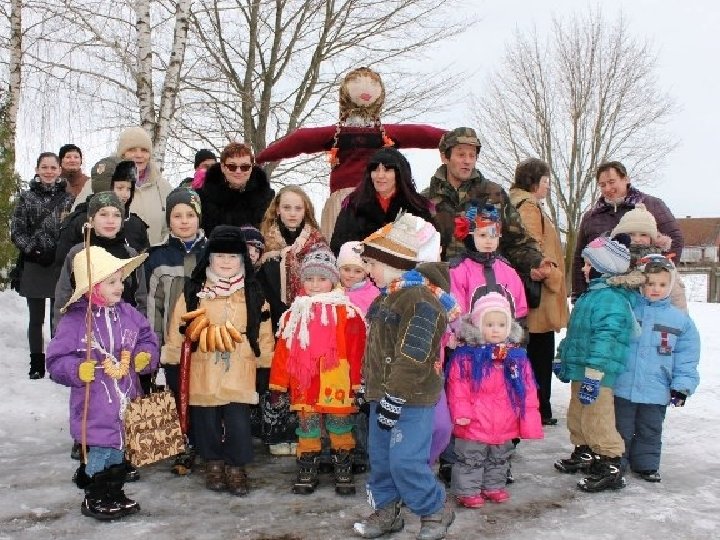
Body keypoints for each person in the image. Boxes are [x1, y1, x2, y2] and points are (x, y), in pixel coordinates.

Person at [354, 213, 457, 540]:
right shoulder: (387, 296)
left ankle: (435, 508)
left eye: (372, 264)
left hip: (410, 399)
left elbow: (414, 355)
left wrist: (395, 397)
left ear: (394, 262)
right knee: (382, 460)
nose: (368, 271)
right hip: (381, 396)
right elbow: (376, 349)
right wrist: (366, 384)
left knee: (406, 461)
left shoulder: (421, 301)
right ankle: (387, 511)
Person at [45, 246, 158, 520]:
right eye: (112, 282)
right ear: (93, 286)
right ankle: (95, 495)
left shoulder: (129, 314)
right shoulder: (75, 321)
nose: (120, 287)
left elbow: (147, 338)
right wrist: (75, 369)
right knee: (100, 453)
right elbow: (56, 360)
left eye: (121, 280)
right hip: (94, 406)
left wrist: (145, 355)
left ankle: (114, 492)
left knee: (119, 451)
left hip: (126, 401)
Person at [162, 225, 274, 496]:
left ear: (242, 259)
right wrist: (173, 362)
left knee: (238, 421)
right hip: (203, 365)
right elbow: (178, 327)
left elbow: (264, 331)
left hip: (240, 365)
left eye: (233, 256)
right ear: (209, 258)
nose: (226, 261)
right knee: (206, 420)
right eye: (220, 256)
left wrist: (265, 365)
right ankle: (213, 462)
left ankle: (236, 466)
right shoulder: (193, 291)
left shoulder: (253, 292)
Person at [270, 249, 366, 495]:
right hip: (304, 382)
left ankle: (343, 468)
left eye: (322, 279)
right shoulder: (294, 314)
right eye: (309, 279)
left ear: (333, 280)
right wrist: (278, 383)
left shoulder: (348, 312)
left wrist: (357, 382)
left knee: (340, 426)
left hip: (337, 380)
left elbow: (357, 351)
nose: (314, 285)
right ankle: (307, 468)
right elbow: (283, 351)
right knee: (307, 428)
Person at [554, 235, 636, 493]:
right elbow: (575, 333)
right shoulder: (591, 295)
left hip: (597, 373)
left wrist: (595, 372)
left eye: (589, 264)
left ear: (604, 267)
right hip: (582, 368)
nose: (583, 269)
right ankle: (585, 451)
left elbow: (606, 339)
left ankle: (610, 463)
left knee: (598, 418)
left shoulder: (611, 299)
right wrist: (562, 354)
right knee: (578, 414)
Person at [445, 293, 542, 508]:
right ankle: (468, 491)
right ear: (478, 326)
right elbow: (458, 388)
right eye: (489, 324)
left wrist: (530, 419)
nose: (496, 330)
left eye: (501, 324)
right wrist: (461, 413)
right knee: (470, 457)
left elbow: (527, 391)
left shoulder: (517, 357)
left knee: (500, 456)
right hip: (474, 419)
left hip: (505, 419)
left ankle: (493, 486)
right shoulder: (466, 356)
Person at [613, 255, 700, 483]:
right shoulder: (628, 310)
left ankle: (646, 465)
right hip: (623, 384)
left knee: (650, 429)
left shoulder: (680, 320)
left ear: (670, 286)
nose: (655, 289)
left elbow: (686, 357)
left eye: (662, 284)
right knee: (621, 427)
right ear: (640, 282)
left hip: (657, 387)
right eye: (650, 283)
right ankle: (616, 462)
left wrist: (681, 386)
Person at [422, 127, 544, 275]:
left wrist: (536, 263)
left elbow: (518, 243)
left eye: (472, 155)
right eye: (461, 155)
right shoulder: (425, 200)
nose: (467, 161)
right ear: (444, 157)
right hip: (439, 283)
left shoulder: (494, 195)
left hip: (485, 282)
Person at [145, 187, 206, 475]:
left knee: (201, 393)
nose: (184, 221)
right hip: (173, 343)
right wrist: (153, 342)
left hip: (206, 340)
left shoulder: (213, 252)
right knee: (176, 392)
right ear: (168, 219)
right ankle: (182, 443)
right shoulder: (157, 257)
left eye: (190, 215)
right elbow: (152, 304)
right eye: (177, 216)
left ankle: (204, 442)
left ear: (199, 218)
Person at [508, 158, 570, 425]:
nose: (547, 187)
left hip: (531, 292)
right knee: (539, 350)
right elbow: (533, 249)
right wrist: (554, 276)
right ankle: (538, 407)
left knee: (535, 349)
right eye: (545, 181)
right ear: (533, 182)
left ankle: (536, 406)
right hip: (538, 294)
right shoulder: (528, 207)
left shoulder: (519, 203)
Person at [572, 161, 684, 301]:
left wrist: (658, 277)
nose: (607, 188)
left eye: (612, 182)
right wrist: (579, 295)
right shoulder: (591, 217)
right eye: (602, 185)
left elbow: (675, 240)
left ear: (626, 179)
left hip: (647, 294)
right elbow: (579, 258)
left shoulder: (652, 205)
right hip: (604, 293)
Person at [10, 151, 74, 379]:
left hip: (58, 263)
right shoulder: (26, 198)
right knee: (36, 318)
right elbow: (17, 231)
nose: (48, 171)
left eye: (53, 167)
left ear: (59, 171)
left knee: (59, 316)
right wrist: (33, 250)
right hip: (34, 263)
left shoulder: (68, 199)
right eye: (44, 167)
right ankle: (37, 364)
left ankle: (57, 361)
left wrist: (60, 252)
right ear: (37, 170)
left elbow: (72, 231)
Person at [54, 192, 148, 332]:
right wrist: (61, 333)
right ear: (91, 220)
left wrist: (140, 331)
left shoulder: (130, 255)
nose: (110, 220)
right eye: (103, 214)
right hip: (85, 333)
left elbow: (141, 297)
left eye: (116, 215)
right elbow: (63, 296)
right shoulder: (78, 253)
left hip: (124, 332)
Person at [73, 127, 173, 244]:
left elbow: (172, 226)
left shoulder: (162, 186)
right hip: (110, 254)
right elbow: (76, 222)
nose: (139, 155)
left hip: (154, 254)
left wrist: (160, 250)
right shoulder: (99, 182)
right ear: (122, 153)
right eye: (132, 150)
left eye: (144, 150)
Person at [55, 158, 149, 276]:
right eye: (120, 188)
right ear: (104, 187)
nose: (125, 194)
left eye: (129, 189)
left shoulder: (135, 224)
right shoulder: (78, 223)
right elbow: (63, 269)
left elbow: (142, 270)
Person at [330, 147, 433, 254]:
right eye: (375, 170)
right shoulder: (353, 205)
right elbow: (338, 246)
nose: (380, 176)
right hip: (360, 263)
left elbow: (431, 246)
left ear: (399, 173)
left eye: (387, 170)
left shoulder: (417, 206)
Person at [609, 203, 688, 311]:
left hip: (656, 318)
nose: (637, 239)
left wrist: (680, 319)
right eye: (631, 234)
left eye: (643, 235)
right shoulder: (611, 262)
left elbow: (677, 299)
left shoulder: (663, 266)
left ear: (652, 239)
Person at [196, 142, 274, 236]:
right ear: (223, 167)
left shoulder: (268, 199)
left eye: (245, 167)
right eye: (232, 167)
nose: (238, 171)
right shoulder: (202, 198)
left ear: (251, 168)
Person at [337, 241, 380, 316]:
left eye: (358, 271)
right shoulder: (332, 289)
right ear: (339, 269)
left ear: (366, 273)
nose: (351, 275)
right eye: (346, 269)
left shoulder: (373, 295)